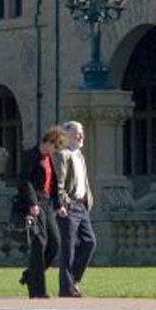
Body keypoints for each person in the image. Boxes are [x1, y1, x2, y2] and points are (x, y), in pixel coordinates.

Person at [14, 127, 69, 299]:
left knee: (55, 243)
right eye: (55, 147)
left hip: (47, 203)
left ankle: (31, 275)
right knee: (40, 244)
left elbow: (53, 183)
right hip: (35, 202)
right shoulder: (31, 156)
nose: (56, 151)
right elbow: (24, 181)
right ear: (49, 142)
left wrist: (59, 205)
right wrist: (32, 203)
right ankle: (38, 290)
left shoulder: (49, 158)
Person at [58, 120, 96, 295]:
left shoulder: (80, 156)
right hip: (69, 205)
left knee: (89, 242)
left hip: (81, 206)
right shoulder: (63, 155)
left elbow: (84, 182)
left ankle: (72, 280)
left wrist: (88, 201)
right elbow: (58, 184)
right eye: (77, 133)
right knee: (68, 248)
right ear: (67, 136)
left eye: (81, 132)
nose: (81, 136)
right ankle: (66, 288)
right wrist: (62, 203)